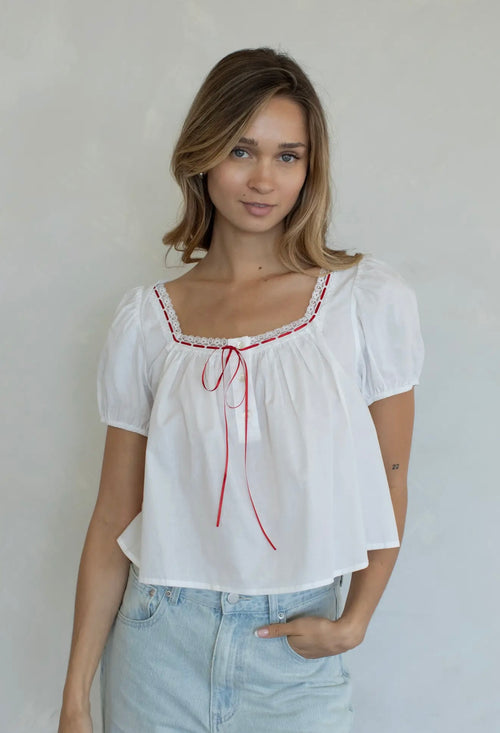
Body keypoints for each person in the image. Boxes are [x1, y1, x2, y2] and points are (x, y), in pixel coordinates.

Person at [58, 47, 424, 733]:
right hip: (157, 645)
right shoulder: (148, 321)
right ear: (202, 156)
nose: (263, 179)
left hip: (295, 650)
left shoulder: (363, 301)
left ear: (310, 169)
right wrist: (75, 697)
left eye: (288, 156)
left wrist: (355, 620)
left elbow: (392, 476)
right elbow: (113, 515)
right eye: (241, 150)